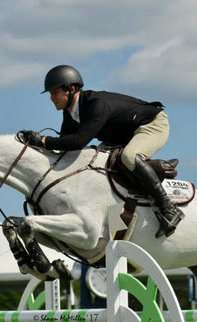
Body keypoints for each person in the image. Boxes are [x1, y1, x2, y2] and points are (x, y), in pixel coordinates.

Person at [19, 65, 184, 238]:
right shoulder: (70, 112)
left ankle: (168, 208)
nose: (52, 98)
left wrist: (43, 140)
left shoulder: (96, 104)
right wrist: (35, 145)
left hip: (151, 125)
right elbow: (64, 147)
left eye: (55, 93)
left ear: (71, 89)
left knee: (129, 156)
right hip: (124, 136)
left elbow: (78, 141)